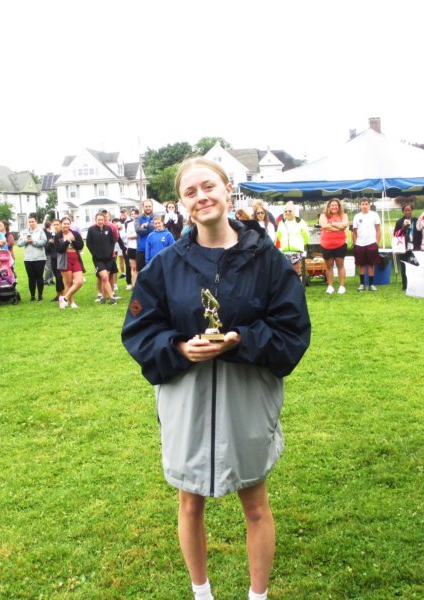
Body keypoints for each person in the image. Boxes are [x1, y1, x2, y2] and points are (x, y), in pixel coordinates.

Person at [122, 157, 311, 600]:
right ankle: (201, 593)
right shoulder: (164, 266)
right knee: (189, 502)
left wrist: (242, 340)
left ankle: (257, 596)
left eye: (209, 186)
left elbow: (292, 332)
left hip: (247, 395)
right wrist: (178, 348)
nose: (201, 197)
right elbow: (139, 330)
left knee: (255, 504)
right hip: (186, 396)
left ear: (228, 189)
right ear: (181, 202)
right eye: (190, 192)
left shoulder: (268, 261)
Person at [86, 212, 118, 304]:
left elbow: (113, 241)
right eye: (98, 220)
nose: (100, 221)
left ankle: (103, 298)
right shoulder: (91, 230)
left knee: (105, 278)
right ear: (95, 220)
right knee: (104, 277)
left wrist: (110, 252)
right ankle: (112, 298)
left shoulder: (108, 228)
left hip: (109, 258)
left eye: (102, 220)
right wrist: (95, 254)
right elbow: (88, 243)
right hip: (98, 259)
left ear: (104, 220)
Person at [318, 199, 349, 294]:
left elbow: (345, 225)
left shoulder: (344, 215)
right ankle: (330, 286)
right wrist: (338, 228)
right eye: (332, 205)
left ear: (339, 207)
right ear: (328, 206)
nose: (334, 207)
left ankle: (342, 286)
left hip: (340, 244)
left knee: (340, 265)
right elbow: (324, 225)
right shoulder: (323, 215)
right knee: (329, 266)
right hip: (326, 245)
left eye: (336, 205)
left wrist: (331, 224)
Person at [352, 198, 381, 291]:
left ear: (369, 205)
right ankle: (362, 284)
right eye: (362, 204)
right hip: (360, 244)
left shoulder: (374, 215)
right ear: (360, 205)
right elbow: (354, 232)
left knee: (371, 264)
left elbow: (378, 230)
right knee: (361, 265)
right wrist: (355, 244)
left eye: (366, 204)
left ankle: (371, 284)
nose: (364, 206)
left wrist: (377, 242)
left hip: (371, 243)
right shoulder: (356, 216)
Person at [17, 214, 48, 302]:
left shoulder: (40, 231)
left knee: (39, 277)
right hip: (28, 258)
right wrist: (26, 241)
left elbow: (44, 242)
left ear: (36, 221)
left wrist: (33, 241)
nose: (31, 223)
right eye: (29, 222)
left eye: (33, 221)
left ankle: (40, 295)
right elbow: (19, 243)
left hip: (39, 258)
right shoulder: (24, 232)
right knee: (31, 277)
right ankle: (32, 296)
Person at [56, 216, 85, 309]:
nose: (66, 225)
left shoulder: (75, 234)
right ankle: (71, 302)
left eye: (68, 224)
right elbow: (60, 250)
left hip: (75, 259)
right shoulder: (58, 236)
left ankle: (64, 298)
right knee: (68, 283)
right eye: (64, 223)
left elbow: (80, 246)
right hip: (65, 260)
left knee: (79, 282)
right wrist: (67, 241)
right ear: (61, 224)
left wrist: (73, 240)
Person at [275, 201, 310, 278]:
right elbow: (279, 236)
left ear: (294, 212)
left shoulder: (301, 222)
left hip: (296, 251)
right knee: (285, 273)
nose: (287, 213)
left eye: (290, 211)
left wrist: (299, 245)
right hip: (285, 251)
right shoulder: (281, 223)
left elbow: (306, 236)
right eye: (286, 211)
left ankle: (298, 285)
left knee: (297, 272)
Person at [393, 202, 422, 291]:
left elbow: (420, 233)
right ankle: (405, 285)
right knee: (404, 266)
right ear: (403, 212)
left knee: (415, 266)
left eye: (409, 210)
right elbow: (395, 235)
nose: (408, 212)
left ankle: (415, 284)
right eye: (406, 210)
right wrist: (403, 229)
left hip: (415, 246)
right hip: (403, 247)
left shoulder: (416, 220)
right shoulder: (399, 222)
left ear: (412, 210)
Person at [135, 199, 155, 274]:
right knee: (141, 273)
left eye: (149, 206)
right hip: (141, 249)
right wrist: (150, 228)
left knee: (153, 273)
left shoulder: (156, 217)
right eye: (146, 206)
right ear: (143, 207)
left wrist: (146, 225)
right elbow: (138, 230)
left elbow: (156, 228)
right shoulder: (138, 218)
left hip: (153, 249)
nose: (148, 208)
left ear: (152, 206)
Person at [125, 207, 139, 288]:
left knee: (140, 268)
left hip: (140, 248)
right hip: (131, 247)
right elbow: (128, 236)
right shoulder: (129, 224)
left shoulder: (141, 223)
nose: (134, 215)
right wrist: (137, 235)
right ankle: (135, 285)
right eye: (132, 214)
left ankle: (140, 285)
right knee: (133, 267)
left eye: (135, 214)